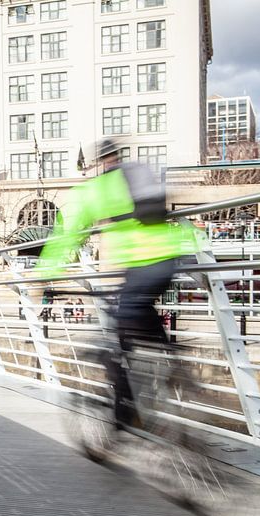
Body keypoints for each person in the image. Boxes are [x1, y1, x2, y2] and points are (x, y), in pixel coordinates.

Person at [37, 138, 198, 429]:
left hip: (140, 264)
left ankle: (126, 413)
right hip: (168, 258)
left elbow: (67, 235)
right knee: (132, 316)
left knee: (120, 333)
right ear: (118, 156)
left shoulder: (94, 190)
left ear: (97, 163)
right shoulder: (139, 171)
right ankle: (169, 361)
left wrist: (45, 274)